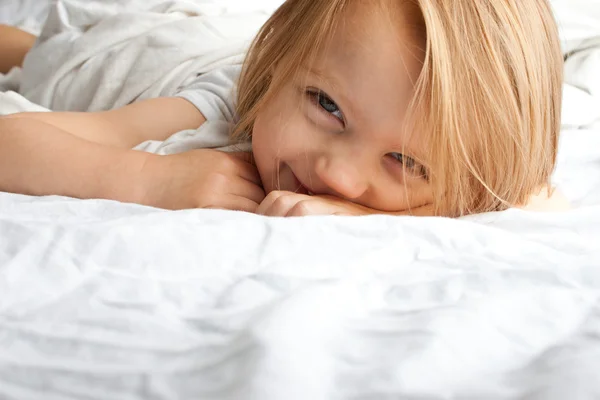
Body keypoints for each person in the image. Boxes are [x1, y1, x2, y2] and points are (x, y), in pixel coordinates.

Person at [0, 0, 569, 217]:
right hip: (120, 55)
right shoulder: (206, 112)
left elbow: (522, 194)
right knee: (37, 55)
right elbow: (11, 140)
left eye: (403, 160)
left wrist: (357, 217)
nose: (336, 175)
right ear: (276, 72)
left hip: (229, 39)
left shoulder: (461, 150)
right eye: (326, 106)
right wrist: (150, 179)